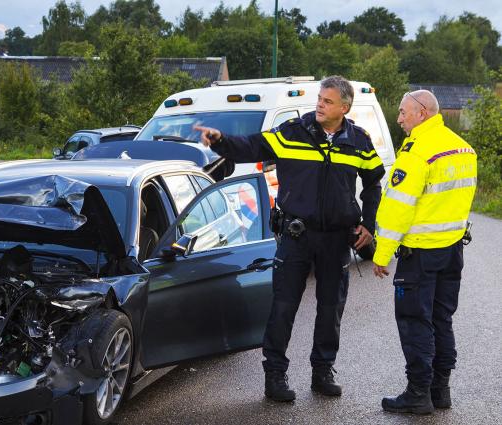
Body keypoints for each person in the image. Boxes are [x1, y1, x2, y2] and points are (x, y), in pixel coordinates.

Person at [195, 76, 385, 402]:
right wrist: (220, 140)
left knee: (331, 309)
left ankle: (322, 372)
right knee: (283, 308)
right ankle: (275, 376)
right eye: (319, 99)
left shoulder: (359, 141)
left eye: (327, 101)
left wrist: (369, 223)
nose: (320, 105)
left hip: (337, 240)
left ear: (344, 107)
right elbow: (251, 145)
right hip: (297, 236)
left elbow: (373, 184)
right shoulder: (292, 132)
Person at [372, 90, 477, 414]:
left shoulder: (417, 153)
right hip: (451, 251)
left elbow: (397, 209)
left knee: (415, 321)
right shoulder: (463, 148)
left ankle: (418, 394)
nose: (399, 118)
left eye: (403, 112)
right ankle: (439, 391)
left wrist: (381, 254)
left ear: (422, 112)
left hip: (419, 254)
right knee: (441, 319)